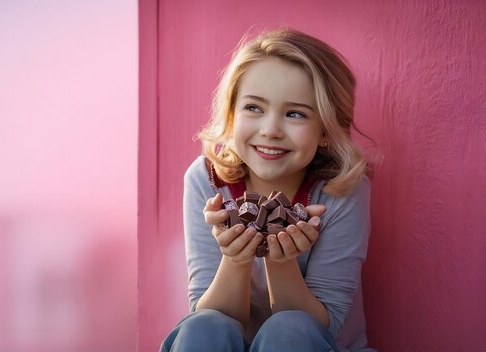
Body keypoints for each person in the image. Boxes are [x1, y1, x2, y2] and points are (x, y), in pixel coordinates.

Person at [160, 28, 375, 352]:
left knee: (290, 328)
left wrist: (281, 260)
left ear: (326, 130)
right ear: (231, 115)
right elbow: (209, 316)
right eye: (254, 108)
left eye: (295, 114)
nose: (270, 130)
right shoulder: (207, 181)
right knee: (204, 326)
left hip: (314, 344)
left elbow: (323, 326)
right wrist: (235, 258)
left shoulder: (341, 191)